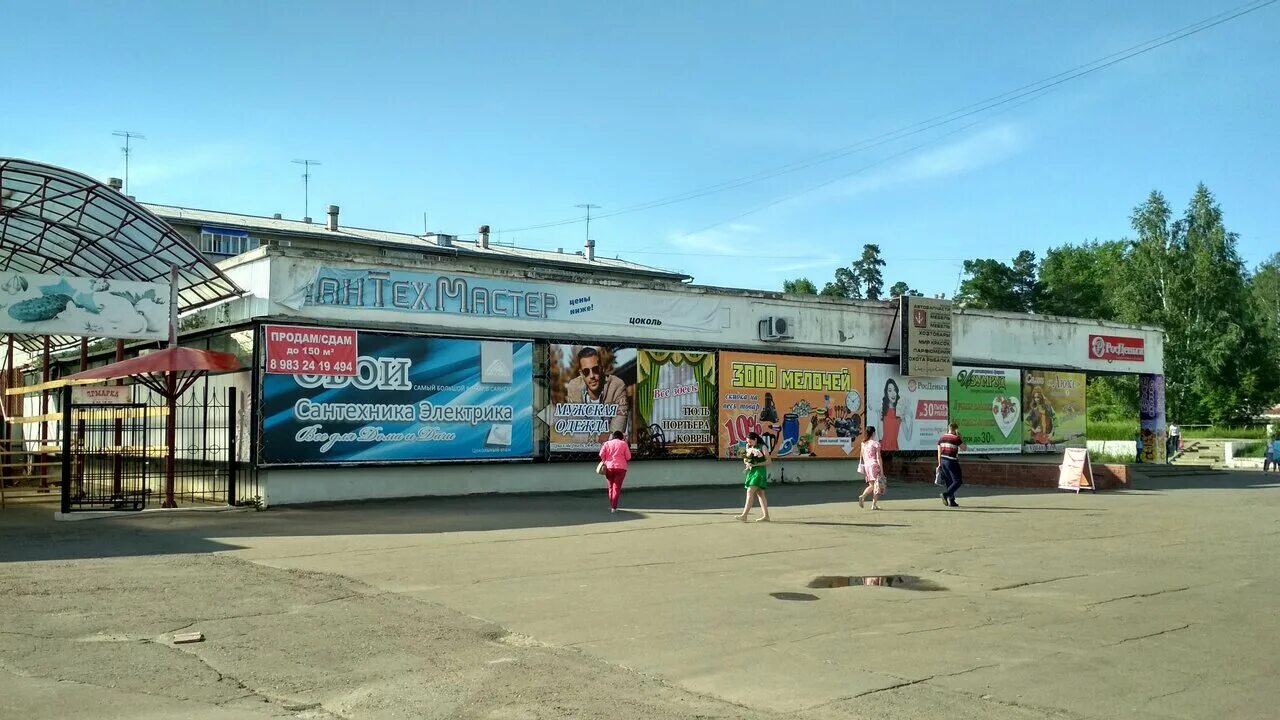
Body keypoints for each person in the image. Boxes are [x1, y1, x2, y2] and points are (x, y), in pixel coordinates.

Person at [564, 347, 630, 443]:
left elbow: (617, 434)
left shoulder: (617, 386)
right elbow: (575, 433)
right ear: (581, 374)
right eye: (586, 372)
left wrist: (606, 437)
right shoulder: (574, 388)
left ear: (601, 369)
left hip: (611, 452)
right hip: (583, 453)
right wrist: (599, 438)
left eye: (595, 369)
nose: (592, 376)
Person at [736, 432, 771, 522]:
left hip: (759, 472)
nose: (748, 444)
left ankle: (744, 515)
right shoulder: (750, 448)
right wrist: (747, 462)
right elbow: (746, 459)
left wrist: (756, 464)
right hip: (752, 471)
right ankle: (766, 516)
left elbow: (769, 461)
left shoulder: (763, 447)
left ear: (755, 439)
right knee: (760, 494)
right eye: (747, 442)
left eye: (750, 442)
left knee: (750, 491)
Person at [598, 430, 631, 513]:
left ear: (613, 436)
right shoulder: (623, 444)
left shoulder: (607, 443)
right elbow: (628, 457)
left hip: (609, 467)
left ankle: (612, 505)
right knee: (616, 488)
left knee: (610, 487)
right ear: (621, 437)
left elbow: (601, 454)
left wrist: (606, 460)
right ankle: (614, 507)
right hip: (621, 468)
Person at [937, 422, 967, 507]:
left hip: (943, 461)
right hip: (951, 461)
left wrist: (939, 464)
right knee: (958, 481)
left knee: (949, 481)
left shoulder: (942, 437)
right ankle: (946, 494)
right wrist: (961, 438)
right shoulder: (956, 438)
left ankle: (951, 501)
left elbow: (939, 451)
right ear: (956, 429)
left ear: (949, 428)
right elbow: (964, 448)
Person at [858, 426, 886, 510]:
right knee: (877, 486)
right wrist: (881, 470)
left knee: (871, 485)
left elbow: (862, 456)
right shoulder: (875, 443)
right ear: (873, 433)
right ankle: (873, 504)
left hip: (867, 465)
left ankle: (863, 496)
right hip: (874, 465)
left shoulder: (863, 443)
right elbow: (878, 457)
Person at [879, 379, 903, 452]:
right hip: (883, 448)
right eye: (889, 390)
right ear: (886, 393)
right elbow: (879, 432)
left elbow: (907, 436)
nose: (893, 393)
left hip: (895, 449)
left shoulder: (900, 410)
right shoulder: (882, 410)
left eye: (894, 390)